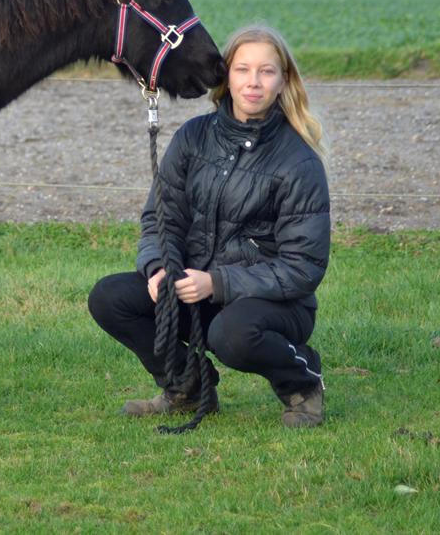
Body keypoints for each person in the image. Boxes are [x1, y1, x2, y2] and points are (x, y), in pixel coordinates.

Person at [88, 24, 330, 427]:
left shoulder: (299, 161)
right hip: (196, 288)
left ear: (283, 80)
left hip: (274, 304)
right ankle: (187, 387)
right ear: (226, 75)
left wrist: (217, 283)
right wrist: (159, 266)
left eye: (266, 71)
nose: (253, 82)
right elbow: (160, 218)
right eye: (242, 69)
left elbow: (303, 267)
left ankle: (302, 382)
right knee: (110, 298)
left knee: (231, 335)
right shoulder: (193, 137)